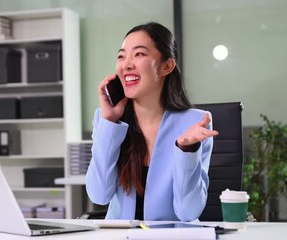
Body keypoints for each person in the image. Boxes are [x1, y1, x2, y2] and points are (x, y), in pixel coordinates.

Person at [85, 22, 219, 221]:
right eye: (121, 56)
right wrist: (110, 123)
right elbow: (99, 195)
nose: (127, 64)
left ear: (167, 66)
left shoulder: (195, 123)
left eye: (139, 54)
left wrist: (186, 150)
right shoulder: (106, 120)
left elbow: (187, 212)